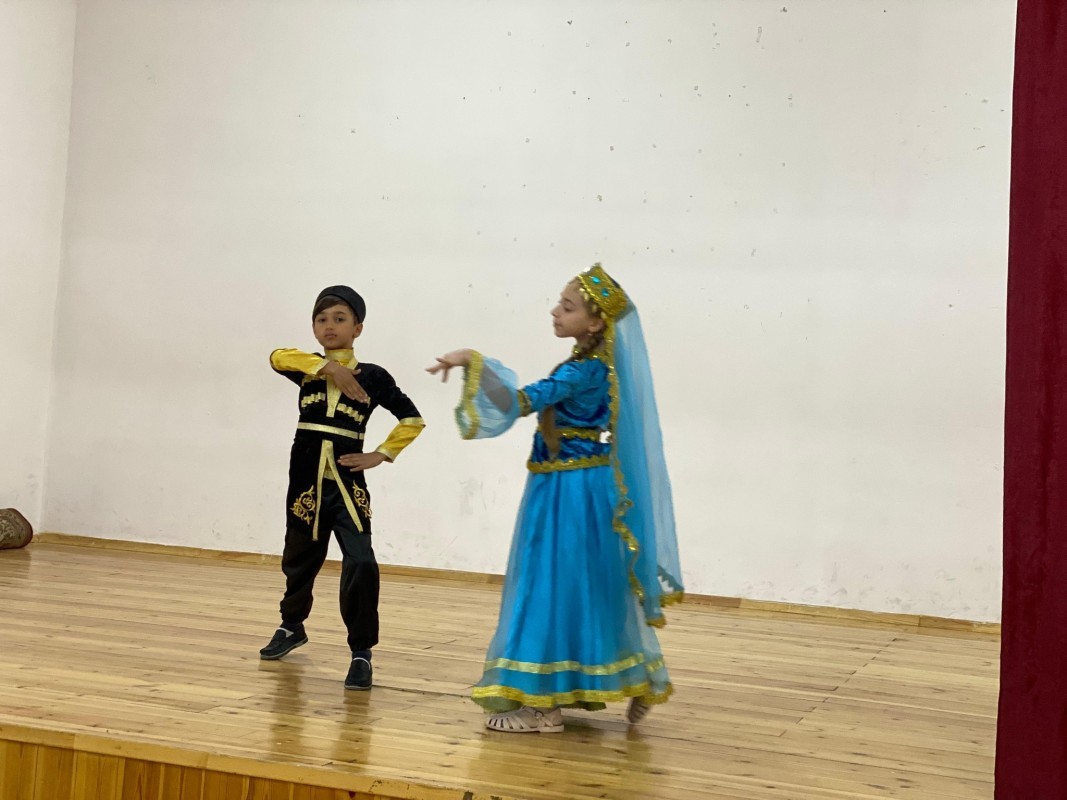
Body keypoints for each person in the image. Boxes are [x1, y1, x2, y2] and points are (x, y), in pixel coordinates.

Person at [428, 264, 683, 732]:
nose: (555, 312)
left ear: (595, 322)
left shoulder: (583, 371)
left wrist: (472, 361)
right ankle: (636, 678)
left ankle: (543, 708)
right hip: (578, 484)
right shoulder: (596, 366)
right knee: (587, 585)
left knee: (551, 583)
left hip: (570, 491)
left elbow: (518, 402)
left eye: (567, 307)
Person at [260, 285, 425, 691]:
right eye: (321, 319)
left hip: (348, 483)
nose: (329, 326)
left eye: (339, 319)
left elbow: (412, 419)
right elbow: (276, 356)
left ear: (358, 328)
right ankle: (291, 625)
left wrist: (381, 454)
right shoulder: (307, 368)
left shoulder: (374, 376)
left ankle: (361, 651)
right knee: (299, 557)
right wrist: (328, 368)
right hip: (305, 479)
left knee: (361, 562)